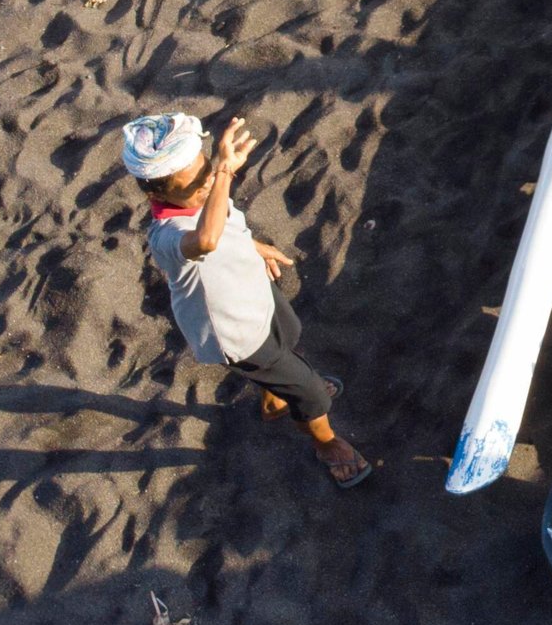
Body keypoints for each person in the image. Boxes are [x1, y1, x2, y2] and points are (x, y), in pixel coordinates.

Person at [124, 113, 371, 489]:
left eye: (207, 171)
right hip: (235, 332)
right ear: (156, 193)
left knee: (289, 333)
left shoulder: (205, 191)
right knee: (310, 390)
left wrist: (254, 246)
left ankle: (274, 401)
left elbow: (225, 225)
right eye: (195, 184)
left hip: (253, 293)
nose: (209, 184)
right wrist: (223, 172)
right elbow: (206, 240)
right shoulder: (168, 237)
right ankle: (327, 445)